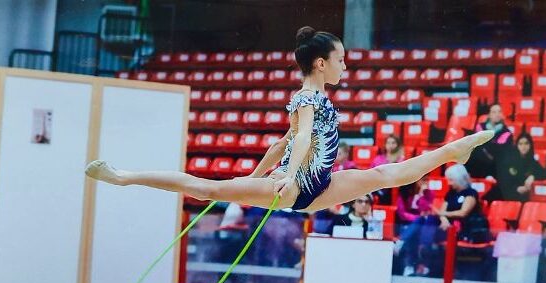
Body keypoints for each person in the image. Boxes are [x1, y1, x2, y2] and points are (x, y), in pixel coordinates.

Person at [85, 26, 495, 216]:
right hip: (299, 186)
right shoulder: (306, 98)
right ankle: (124, 176)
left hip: (317, 184)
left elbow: (281, 144)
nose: (346, 66)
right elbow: (296, 145)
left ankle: (452, 150)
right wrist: (280, 177)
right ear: (321, 63)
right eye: (341, 60)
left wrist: (255, 177)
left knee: (388, 174)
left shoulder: (314, 97)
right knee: (205, 188)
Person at [486, 132, 546, 202]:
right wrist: (516, 189)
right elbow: (503, 181)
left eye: (526, 143)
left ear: (530, 145)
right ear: (517, 146)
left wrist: (533, 176)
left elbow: (545, 174)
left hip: (519, 197)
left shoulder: (532, 161)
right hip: (502, 194)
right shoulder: (510, 160)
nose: (523, 147)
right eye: (520, 144)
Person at [394, 178, 438, 276]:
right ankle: (418, 265)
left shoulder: (428, 193)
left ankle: (402, 245)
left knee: (421, 224)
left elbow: (427, 209)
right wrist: (417, 218)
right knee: (417, 224)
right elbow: (402, 214)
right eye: (420, 180)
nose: (422, 183)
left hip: (424, 225)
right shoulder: (404, 193)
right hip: (407, 224)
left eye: (425, 180)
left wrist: (422, 194)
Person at [467, 103, 514, 178]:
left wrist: (486, 145)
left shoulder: (506, 133)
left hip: (495, 166)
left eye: (499, 112)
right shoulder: (480, 127)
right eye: (494, 112)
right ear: (489, 115)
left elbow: (501, 152)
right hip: (478, 163)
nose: (497, 114)